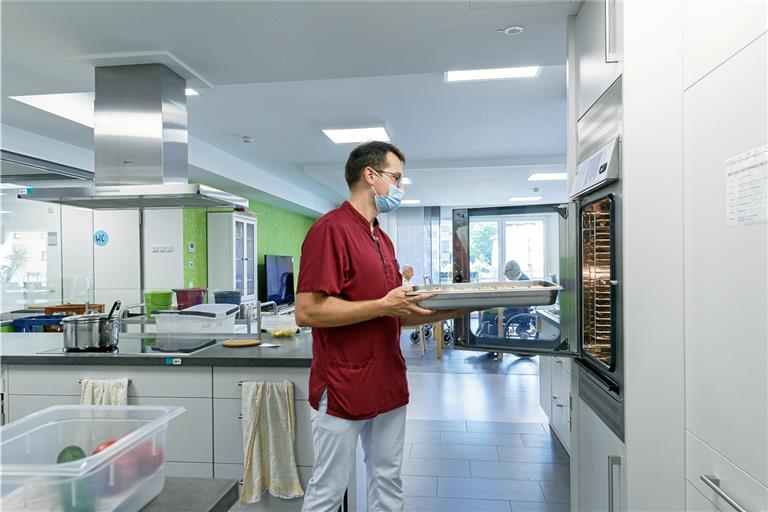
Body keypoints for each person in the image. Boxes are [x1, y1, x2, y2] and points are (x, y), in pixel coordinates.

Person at [295, 141, 466, 512]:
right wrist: (382, 304)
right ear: (369, 176)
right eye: (397, 178)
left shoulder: (381, 239)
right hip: (342, 383)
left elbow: (395, 314)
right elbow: (307, 311)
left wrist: (456, 308)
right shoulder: (330, 230)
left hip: (386, 380)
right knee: (329, 487)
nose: (401, 188)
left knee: (388, 480)